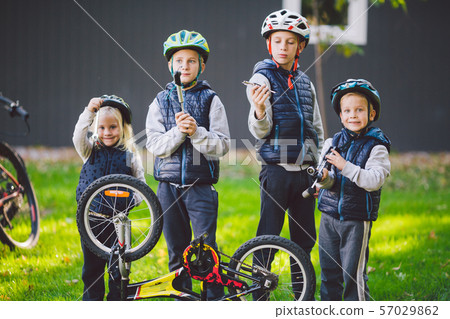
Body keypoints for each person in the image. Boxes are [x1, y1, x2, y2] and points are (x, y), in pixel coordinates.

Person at [146, 30, 230, 300]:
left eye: (191, 61)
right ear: (170, 65)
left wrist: (196, 133)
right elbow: (155, 144)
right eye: (179, 60)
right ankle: (182, 300)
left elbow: (223, 145)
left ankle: (213, 298)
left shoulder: (210, 99)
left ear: (201, 65)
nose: (184, 66)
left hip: (200, 186)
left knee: (206, 249)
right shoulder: (160, 101)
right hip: (168, 187)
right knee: (176, 249)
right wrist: (178, 133)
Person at [246, 8, 324, 291]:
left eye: (290, 41)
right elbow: (259, 130)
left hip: (305, 173)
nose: (283, 47)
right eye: (277, 41)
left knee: (304, 239)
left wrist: (320, 163)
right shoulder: (261, 79)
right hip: (277, 172)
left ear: (300, 46)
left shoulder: (305, 83)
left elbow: (316, 127)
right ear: (269, 44)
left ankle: (302, 296)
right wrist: (258, 109)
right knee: (268, 234)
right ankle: (257, 296)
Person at [316, 79, 391, 301]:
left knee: (353, 275)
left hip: (356, 219)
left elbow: (374, 180)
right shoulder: (333, 142)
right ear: (340, 115)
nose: (353, 115)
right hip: (329, 217)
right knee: (329, 273)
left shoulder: (376, 146)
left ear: (372, 113)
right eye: (347, 110)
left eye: (359, 110)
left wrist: (344, 166)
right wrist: (323, 179)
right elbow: (328, 178)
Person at [73, 95, 145, 301]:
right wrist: (89, 112)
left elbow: (141, 185)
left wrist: (132, 200)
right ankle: (92, 302)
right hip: (91, 220)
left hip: (119, 223)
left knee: (118, 269)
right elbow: (77, 136)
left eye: (113, 127)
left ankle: (117, 302)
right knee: (92, 269)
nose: (107, 133)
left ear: (123, 127)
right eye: (102, 128)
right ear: (96, 129)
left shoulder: (130, 155)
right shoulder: (90, 150)